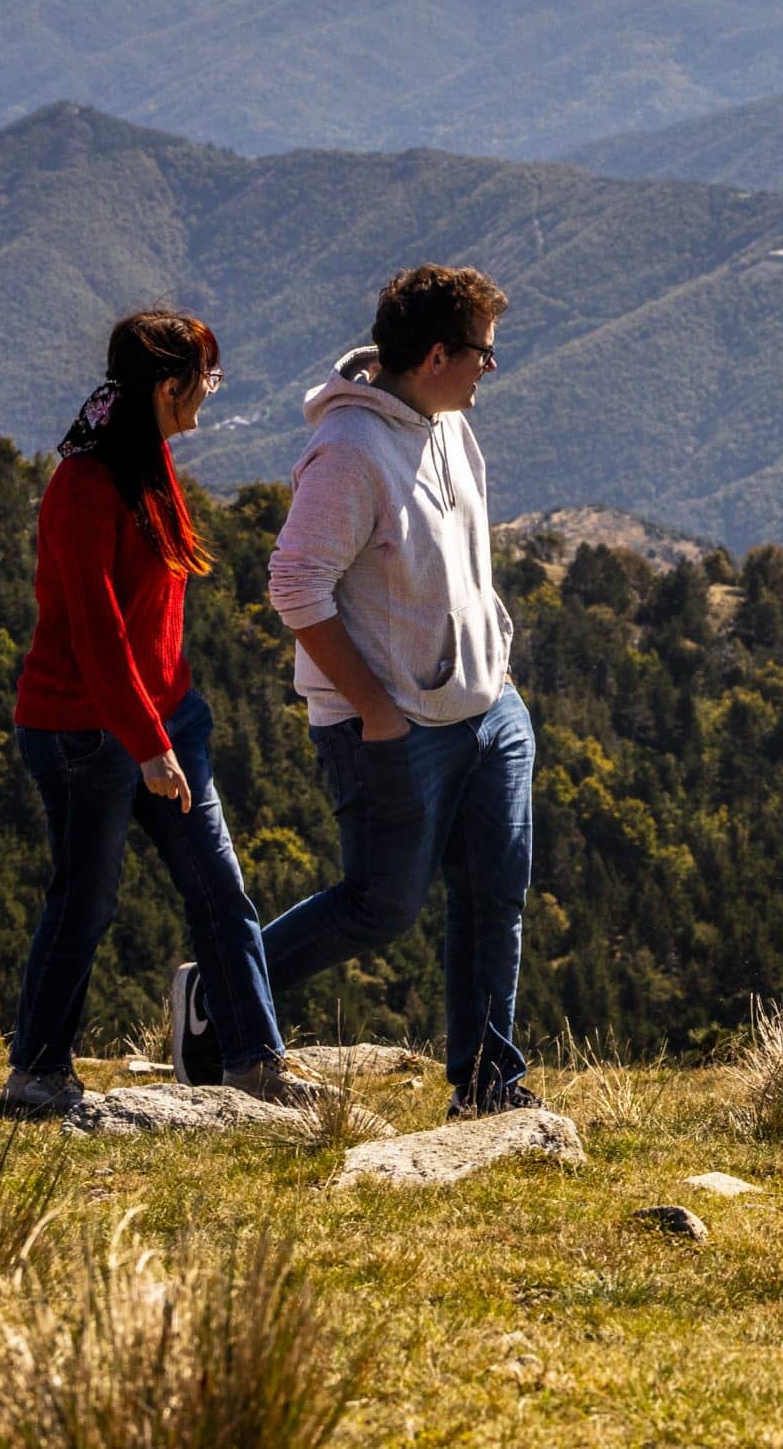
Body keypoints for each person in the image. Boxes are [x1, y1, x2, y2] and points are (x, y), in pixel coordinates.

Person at [1, 310, 310, 1115]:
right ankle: (37, 1069)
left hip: (166, 719)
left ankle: (255, 1063)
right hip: (83, 731)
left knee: (220, 889)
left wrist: (167, 728)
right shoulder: (85, 486)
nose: (211, 391)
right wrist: (147, 743)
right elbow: (97, 635)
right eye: (207, 377)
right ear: (168, 388)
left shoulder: (145, 459)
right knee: (86, 900)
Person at [260, 263, 539, 1120]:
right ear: (434, 355)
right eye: (482, 355)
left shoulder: (444, 421)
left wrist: (493, 658)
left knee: (496, 895)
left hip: (487, 707)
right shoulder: (348, 451)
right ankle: (230, 987)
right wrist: (377, 712)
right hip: (393, 726)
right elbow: (293, 586)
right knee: (381, 908)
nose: (491, 369)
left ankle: (489, 1089)